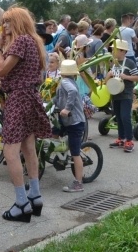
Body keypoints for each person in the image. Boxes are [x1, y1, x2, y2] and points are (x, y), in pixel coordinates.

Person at [0, 6, 51, 222]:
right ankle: (35, 196)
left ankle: (21, 203)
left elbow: (2, 70)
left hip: (18, 98)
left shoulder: (20, 41)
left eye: (7, 22)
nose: (3, 26)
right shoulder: (34, 41)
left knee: (10, 151)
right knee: (28, 148)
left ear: (17, 22)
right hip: (30, 97)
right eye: (3, 21)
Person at [54, 60, 86, 193]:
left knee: (75, 153)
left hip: (74, 122)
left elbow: (72, 92)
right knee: (53, 134)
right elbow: (60, 98)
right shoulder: (70, 81)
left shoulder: (66, 82)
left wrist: (67, 109)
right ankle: (60, 157)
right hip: (67, 120)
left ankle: (78, 183)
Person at [106, 39, 138, 153]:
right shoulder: (113, 62)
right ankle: (121, 138)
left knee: (125, 116)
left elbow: (137, 77)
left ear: (123, 51)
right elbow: (107, 80)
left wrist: (126, 77)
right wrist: (108, 75)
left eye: (115, 49)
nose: (113, 51)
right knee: (118, 117)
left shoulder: (129, 62)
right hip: (115, 94)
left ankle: (129, 140)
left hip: (126, 94)